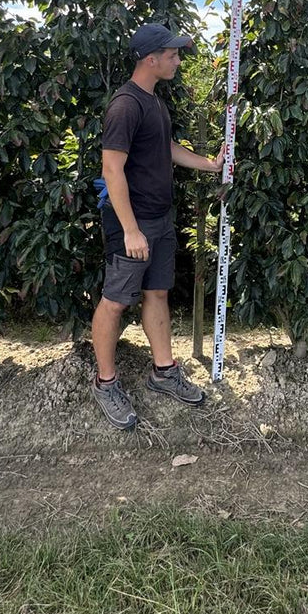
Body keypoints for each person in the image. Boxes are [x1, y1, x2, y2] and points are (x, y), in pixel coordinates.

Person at [91, 23, 224, 429]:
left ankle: (163, 372)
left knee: (158, 294)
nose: (178, 61)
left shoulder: (155, 103)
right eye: (173, 55)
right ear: (152, 59)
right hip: (133, 222)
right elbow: (112, 168)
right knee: (115, 301)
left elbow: (164, 147)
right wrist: (130, 229)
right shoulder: (125, 105)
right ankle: (105, 383)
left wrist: (209, 165)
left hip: (160, 219)